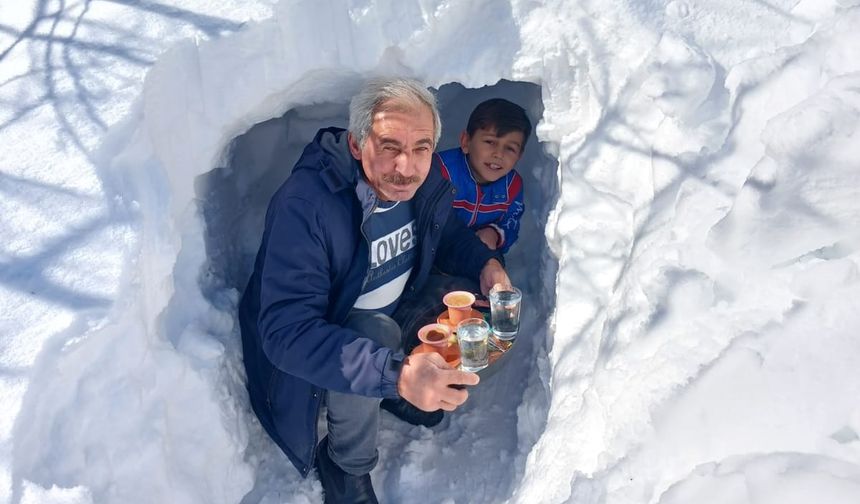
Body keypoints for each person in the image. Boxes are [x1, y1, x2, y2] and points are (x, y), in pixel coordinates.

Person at [238, 77, 512, 504]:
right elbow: (286, 333)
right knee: (372, 334)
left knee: (468, 300)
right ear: (356, 144)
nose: (406, 166)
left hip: (394, 308)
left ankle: (396, 389)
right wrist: (397, 375)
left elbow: (450, 231)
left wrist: (486, 264)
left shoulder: (425, 182)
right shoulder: (308, 206)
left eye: (421, 147)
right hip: (325, 348)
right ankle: (345, 463)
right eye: (389, 147)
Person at [436, 98, 532, 254]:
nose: (498, 154)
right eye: (490, 142)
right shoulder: (441, 171)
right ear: (466, 142)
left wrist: (494, 234)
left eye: (510, 148)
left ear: (519, 156)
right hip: (433, 253)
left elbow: (511, 223)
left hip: (478, 254)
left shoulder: (512, 185)